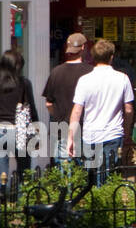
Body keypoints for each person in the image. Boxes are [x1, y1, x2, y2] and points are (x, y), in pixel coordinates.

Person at [67, 39, 135, 183]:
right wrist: (127, 130)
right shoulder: (122, 79)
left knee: (91, 179)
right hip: (113, 134)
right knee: (109, 178)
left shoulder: (84, 80)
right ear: (111, 57)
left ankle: (95, 203)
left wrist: (70, 138)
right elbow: (128, 109)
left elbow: (77, 111)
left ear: (93, 57)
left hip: (90, 134)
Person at [41, 32, 92, 161]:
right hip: (86, 129)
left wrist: (58, 116)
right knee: (86, 175)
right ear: (83, 48)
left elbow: (48, 103)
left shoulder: (56, 72)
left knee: (64, 174)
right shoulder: (91, 72)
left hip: (61, 130)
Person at [0, 51, 33, 183]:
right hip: (19, 130)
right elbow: (31, 109)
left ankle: (2, 198)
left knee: (2, 169)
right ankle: (22, 197)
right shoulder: (24, 83)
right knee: (24, 168)